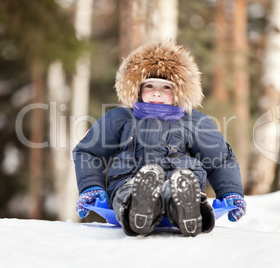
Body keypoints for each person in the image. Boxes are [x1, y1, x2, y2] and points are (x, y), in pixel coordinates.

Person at [73, 41, 246, 237]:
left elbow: (220, 160)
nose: (156, 92)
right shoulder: (120, 118)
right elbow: (89, 151)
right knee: (129, 192)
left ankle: (187, 210)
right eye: (149, 85)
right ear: (137, 88)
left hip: (180, 179)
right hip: (130, 180)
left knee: (178, 188)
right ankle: (139, 210)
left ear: (180, 90)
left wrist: (230, 192)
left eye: (166, 87)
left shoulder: (195, 122)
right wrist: (92, 187)